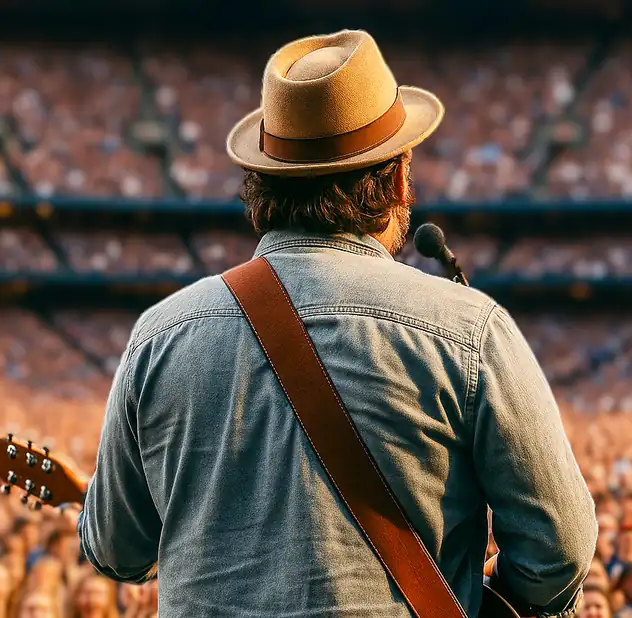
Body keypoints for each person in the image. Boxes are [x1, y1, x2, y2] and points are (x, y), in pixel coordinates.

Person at [78, 28, 597, 617]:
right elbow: (559, 552)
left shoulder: (160, 337)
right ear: (398, 180)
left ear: (258, 186)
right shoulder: (467, 332)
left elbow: (117, 550)